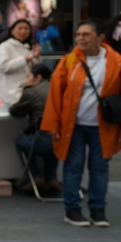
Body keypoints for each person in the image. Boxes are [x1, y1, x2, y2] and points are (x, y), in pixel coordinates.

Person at [41, 19, 121, 227]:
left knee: (100, 168)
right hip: (73, 125)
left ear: (101, 38)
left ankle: (98, 210)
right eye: (78, 35)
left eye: (86, 34)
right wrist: (52, 125)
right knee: (73, 166)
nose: (81, 38)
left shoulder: (116, 61)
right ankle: (73, 209)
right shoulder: (69, 60)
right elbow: (55, 94)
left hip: (104, 125)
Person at [10, 63, 59, 195]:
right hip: (61, 138)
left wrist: (25, 91)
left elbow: (15, 111)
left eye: (29, 76)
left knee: (21, 143)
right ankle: (52, 177)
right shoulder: (59, 87)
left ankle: (36, 176)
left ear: (38, 77)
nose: (27, 79)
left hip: (43, 138)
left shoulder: (32, 92)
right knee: (52, 145)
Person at [0, 19, 41, 106]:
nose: (23, 31)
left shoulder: (27, 47)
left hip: (25, 90)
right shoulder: (4, 46)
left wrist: (36, 57)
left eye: (26, 29)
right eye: (19, 28)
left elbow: (34, 69)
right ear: (12, 31)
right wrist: (23, 59)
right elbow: (3, 67)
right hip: (9, 92)